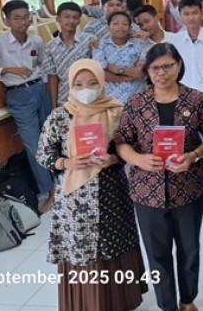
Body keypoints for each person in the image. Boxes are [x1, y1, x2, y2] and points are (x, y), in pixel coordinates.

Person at [36, 59, 146, 311]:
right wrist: (66, 162)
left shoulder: (116, 111)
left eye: (93, 82)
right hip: (75, 199)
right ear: (71, 85)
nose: (86, 88)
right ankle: (86, 303)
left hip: (112, 193)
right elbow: (43, 153)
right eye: (79, 84)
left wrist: (114, 159)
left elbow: (133, 147)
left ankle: (120, 301)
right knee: (81, 247)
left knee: (115, 243)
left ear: (102, 82)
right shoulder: (60, 116)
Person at [115, 43, 203, 311]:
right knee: (157, 253)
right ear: (147, 71)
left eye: (168, 66)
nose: (161, 73)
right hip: (147, 191)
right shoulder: (136, 103)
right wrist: (138, 159)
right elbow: (121, 141)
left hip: (188, 188)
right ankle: (166, 305)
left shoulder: (195, 100)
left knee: (189, 249)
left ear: (179, 66)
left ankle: (187, 300)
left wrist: (193, 155)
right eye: (155, 68)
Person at [0, 0, 54, 211]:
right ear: (6, 21)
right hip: (18, 95)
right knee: (34, 145)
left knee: (51, 139)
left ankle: (61, 185)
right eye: (17, 18)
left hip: (40, 90)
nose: (23, 22)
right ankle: (48, 191)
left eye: (26, 17)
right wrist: (9, 70)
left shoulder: (36, 41)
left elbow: (44, 64)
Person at [45, 2, 96, 108]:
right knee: (64, 120)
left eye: (75, 17)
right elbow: (52, 77)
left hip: (89, 98)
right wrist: (54, 105)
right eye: (67, 17)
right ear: (58, 19)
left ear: (79, 20)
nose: (71, 21)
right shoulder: (51, 46)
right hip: (64, 99)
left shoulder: (89, 40)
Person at [92, 11, 146, 104]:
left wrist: (117, 69)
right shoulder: (100, 46)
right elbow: (100, 73)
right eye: (115, 24)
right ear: (108, 28)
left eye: (125, 24)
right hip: (111, 101)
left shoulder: (139, 45)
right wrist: (125, 78)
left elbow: (140, 73)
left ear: (130, 28)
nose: (120, 26)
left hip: (137, 100)